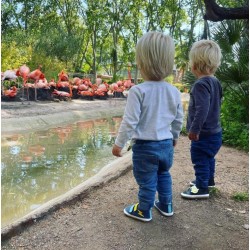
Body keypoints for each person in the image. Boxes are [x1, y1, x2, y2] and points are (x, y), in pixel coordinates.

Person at [112, 31, 183, 222]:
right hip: (166, 144)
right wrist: (174, 137)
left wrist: (119, 144)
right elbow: (178, 119)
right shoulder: (174, 91)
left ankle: (144, 210)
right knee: (163, 174)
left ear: (141, 62)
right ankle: (166, 205)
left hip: (145, 147)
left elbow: (130, 121)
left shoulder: (138, 91)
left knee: (147, 181)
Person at [181, 39, 223, 199]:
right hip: (215, 132)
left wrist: (194, 129)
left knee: (199, 159)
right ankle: (208, 180)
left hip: (203, 134)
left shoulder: (200, 84)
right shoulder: (215, 82)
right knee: (208, 157)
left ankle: (201, 187)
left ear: (194, 64)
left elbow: (202, 109)